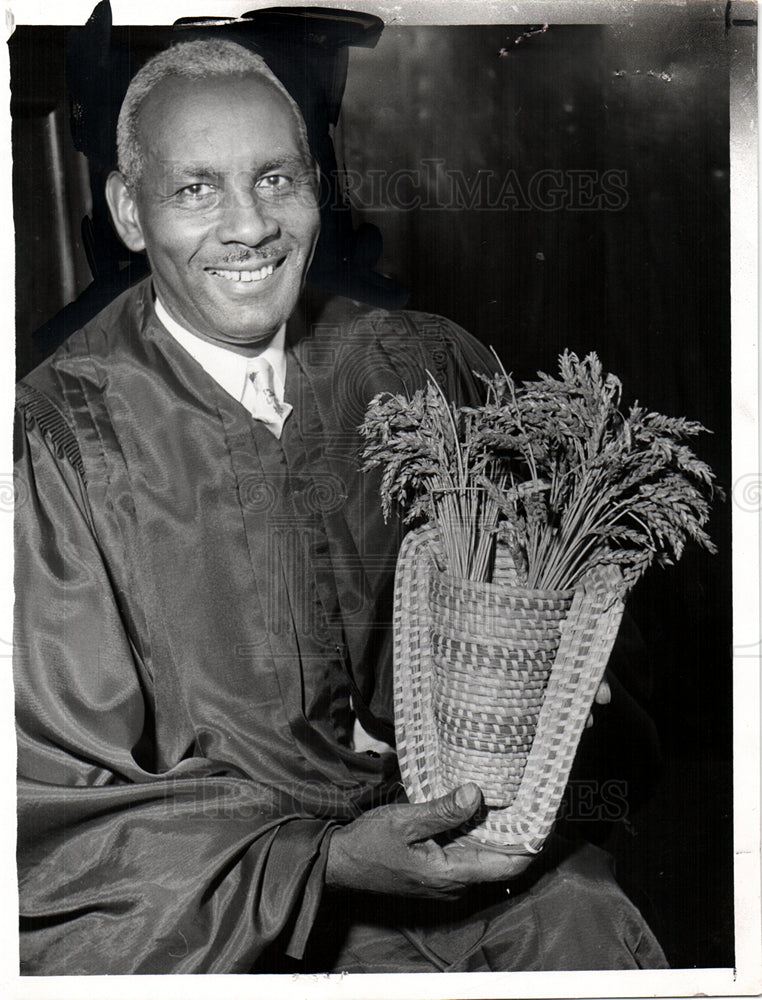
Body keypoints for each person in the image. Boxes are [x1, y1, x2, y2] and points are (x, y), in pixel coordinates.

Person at [14, 38, 668, 975]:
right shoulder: (58, 442)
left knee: (586, 928)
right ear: (129, 210)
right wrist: (319, 866)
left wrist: (564, 666)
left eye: (277, 179)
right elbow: (51, 805)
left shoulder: (420, 370)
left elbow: (562, 631)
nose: (250, 226)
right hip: (232, 906)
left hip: (466, 846)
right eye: (196, 189)